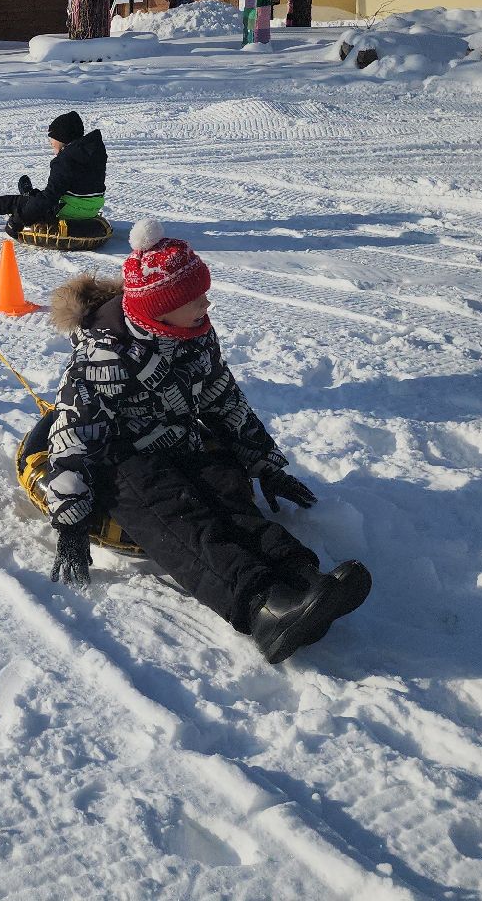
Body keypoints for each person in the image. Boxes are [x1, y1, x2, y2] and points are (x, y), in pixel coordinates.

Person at [40, 221, 371, 663]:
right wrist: (71, 521)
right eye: (194, 297)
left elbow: (222, 397)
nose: (206, 302)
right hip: (124, 463)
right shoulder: (102, 358)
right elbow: (73, 436)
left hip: (180, 443)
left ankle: (301, 576)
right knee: (184, 519)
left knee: (228, 491)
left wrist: (264, 463)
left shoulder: (193, 335)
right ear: (161, 307)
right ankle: (262, 607)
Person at [0, 111, 105, 238]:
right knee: (38, 198)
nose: (52, 147)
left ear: (62, 139)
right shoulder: (93, 153)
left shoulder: (64, 161)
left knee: (14, 202)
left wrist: (17, 221)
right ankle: (31, 195)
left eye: (53, 143)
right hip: (91, 207)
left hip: (69, 211)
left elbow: (49, 198)